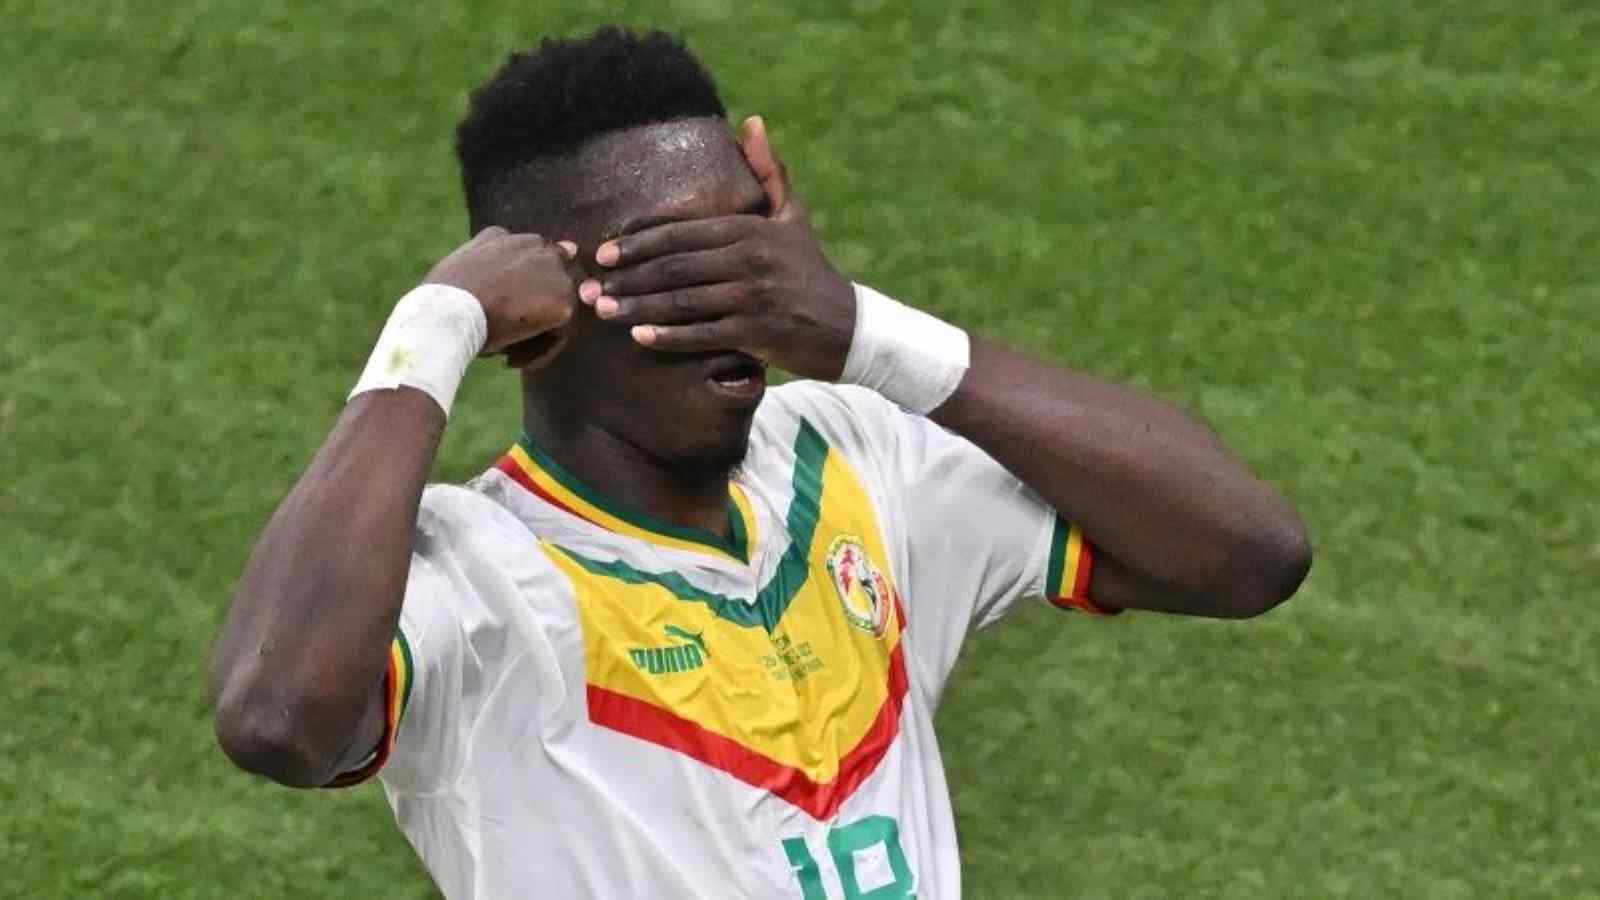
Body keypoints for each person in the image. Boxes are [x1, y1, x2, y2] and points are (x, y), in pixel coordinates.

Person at [209, 26, 1311, 900]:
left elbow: (1246, 554)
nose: (734, 304)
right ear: (541, 315)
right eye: (679, 269)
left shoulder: (858, 459)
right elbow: (277, 720)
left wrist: (861, 331)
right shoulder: (471, 576)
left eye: (750, 249)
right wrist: (436, 326)